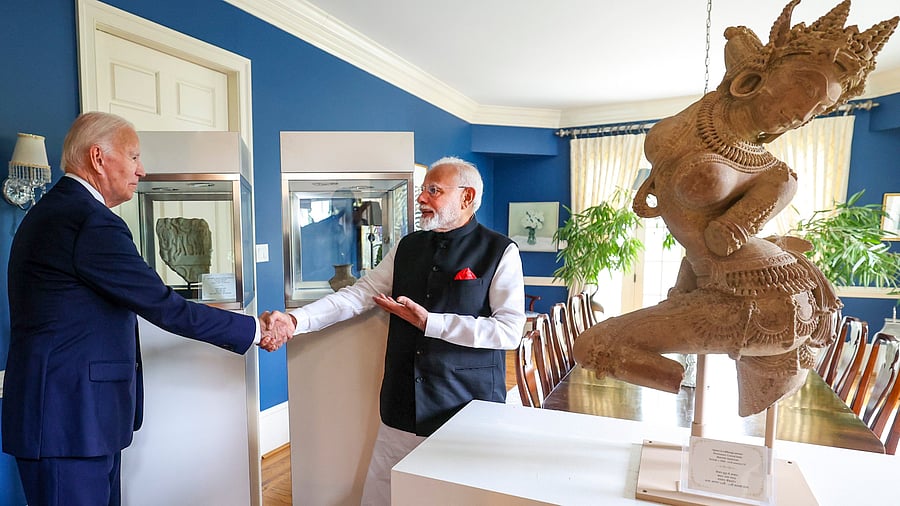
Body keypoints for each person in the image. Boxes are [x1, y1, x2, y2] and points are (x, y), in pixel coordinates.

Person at [573, 0, 897, 416]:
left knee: (595, 345)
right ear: (759, 76)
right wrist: (684, 288)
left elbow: (718, 241)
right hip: (749, 285)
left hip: (763, 300)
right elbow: (736, 41)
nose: (803, 114)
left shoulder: (776, 176)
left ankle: (687, 401)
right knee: (599, 346)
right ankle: (689, 400)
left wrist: (691, 284)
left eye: (821, 108)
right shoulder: (708, 117)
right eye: (807, 89)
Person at [1, 111, 290, 505]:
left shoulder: (56, 212)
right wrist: (255, 330)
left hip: (73, 419)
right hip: (69, 422)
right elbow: (166, 306)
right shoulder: (88, 220)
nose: (142, 170)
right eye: (134, 156)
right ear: (99, 158)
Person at [262, 156, 526, 505]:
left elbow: (509, 331)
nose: (421, 199)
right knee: (384, 495)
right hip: (402, 402)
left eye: (434, 190)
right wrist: (296, 321)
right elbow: (359, 294)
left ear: (466, 197)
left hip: (466, 406)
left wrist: (430, 322)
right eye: (422, 190)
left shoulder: (500, 251)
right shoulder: (407, 247)